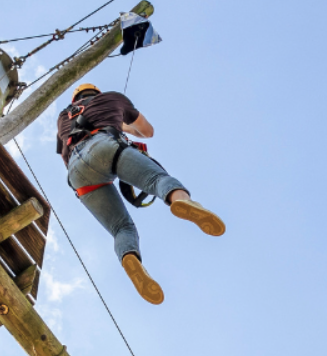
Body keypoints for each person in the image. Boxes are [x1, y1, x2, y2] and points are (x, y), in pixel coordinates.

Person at [55, 83, 225, 305]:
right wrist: (123, 126)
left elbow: (63, 151)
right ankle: (184, 202)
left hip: (76, 174)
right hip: (105, 145)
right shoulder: (113, 98)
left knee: (121, 228)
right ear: (98, 93)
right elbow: (148, 132)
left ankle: (129, 258)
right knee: (157, 180)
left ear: (75, 98)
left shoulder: (62, 116)